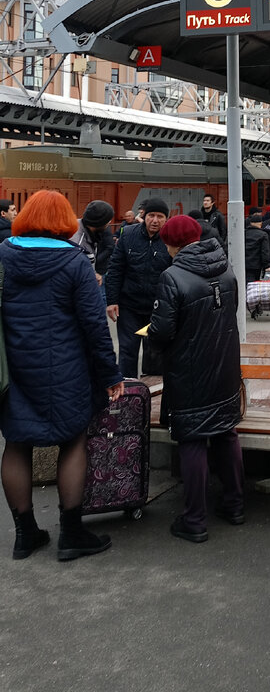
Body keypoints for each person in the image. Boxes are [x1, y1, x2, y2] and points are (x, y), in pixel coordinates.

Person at [0, 189, 123, 561]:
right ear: (64, 221)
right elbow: (94, 326)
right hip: (65, 369)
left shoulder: (3, 253)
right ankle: (71, 534)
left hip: (12, 366)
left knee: (16, 443)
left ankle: (25, 535)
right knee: (73, 441)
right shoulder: (74, 262)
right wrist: (110, 374)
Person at [147, 215, 244, 543]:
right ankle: (234, 505)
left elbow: (161, 332)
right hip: (225, 365)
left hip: (190, 371)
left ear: (172, 243)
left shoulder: (172, 276)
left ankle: (195, 520)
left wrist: (154, 340)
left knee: (192, 440)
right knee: (226, 434)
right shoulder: (226, 267)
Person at [105, 196, 171, 377]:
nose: (155, 221)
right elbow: (116, 269)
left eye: (160, 216)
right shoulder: (128, 234)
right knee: (127, 350)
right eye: (151, 215)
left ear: (166, 219)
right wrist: (112, 301)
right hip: (129, 307)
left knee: (155, 353)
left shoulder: (170, 239)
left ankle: (154, 393)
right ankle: (128, 393)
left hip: (157, 309)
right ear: (144, 215)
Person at [70, 200, 116, 286]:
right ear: (100, 222)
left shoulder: (83, 229)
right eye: (108, 220)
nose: (109, 222)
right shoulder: (78, 243)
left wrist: (93, 273)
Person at [244, 212, 270, 286]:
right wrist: (267, 265)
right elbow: (265, 251)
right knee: (253, 285)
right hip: (256, 265)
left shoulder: (243, 233)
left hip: (243, 264)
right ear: (260, 223)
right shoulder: (263, 235)